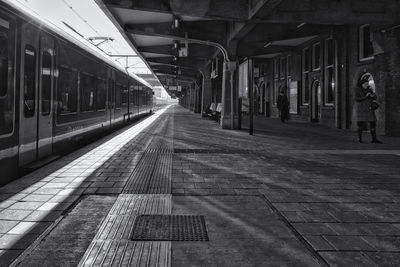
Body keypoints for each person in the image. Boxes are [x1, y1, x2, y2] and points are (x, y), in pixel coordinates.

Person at [354, 75, 382, 143]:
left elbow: (375, 97)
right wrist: (366, 96)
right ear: (362, 84)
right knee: (360, 124)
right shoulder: (357, 90)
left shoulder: (370, 89)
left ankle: (374, 139)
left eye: (367, 84)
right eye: (366, 84)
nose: (367, 85)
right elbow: (357, 99)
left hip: (369, 109)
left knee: (373, 123)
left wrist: (373, 95)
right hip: (361, 109)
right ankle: (359, 139)